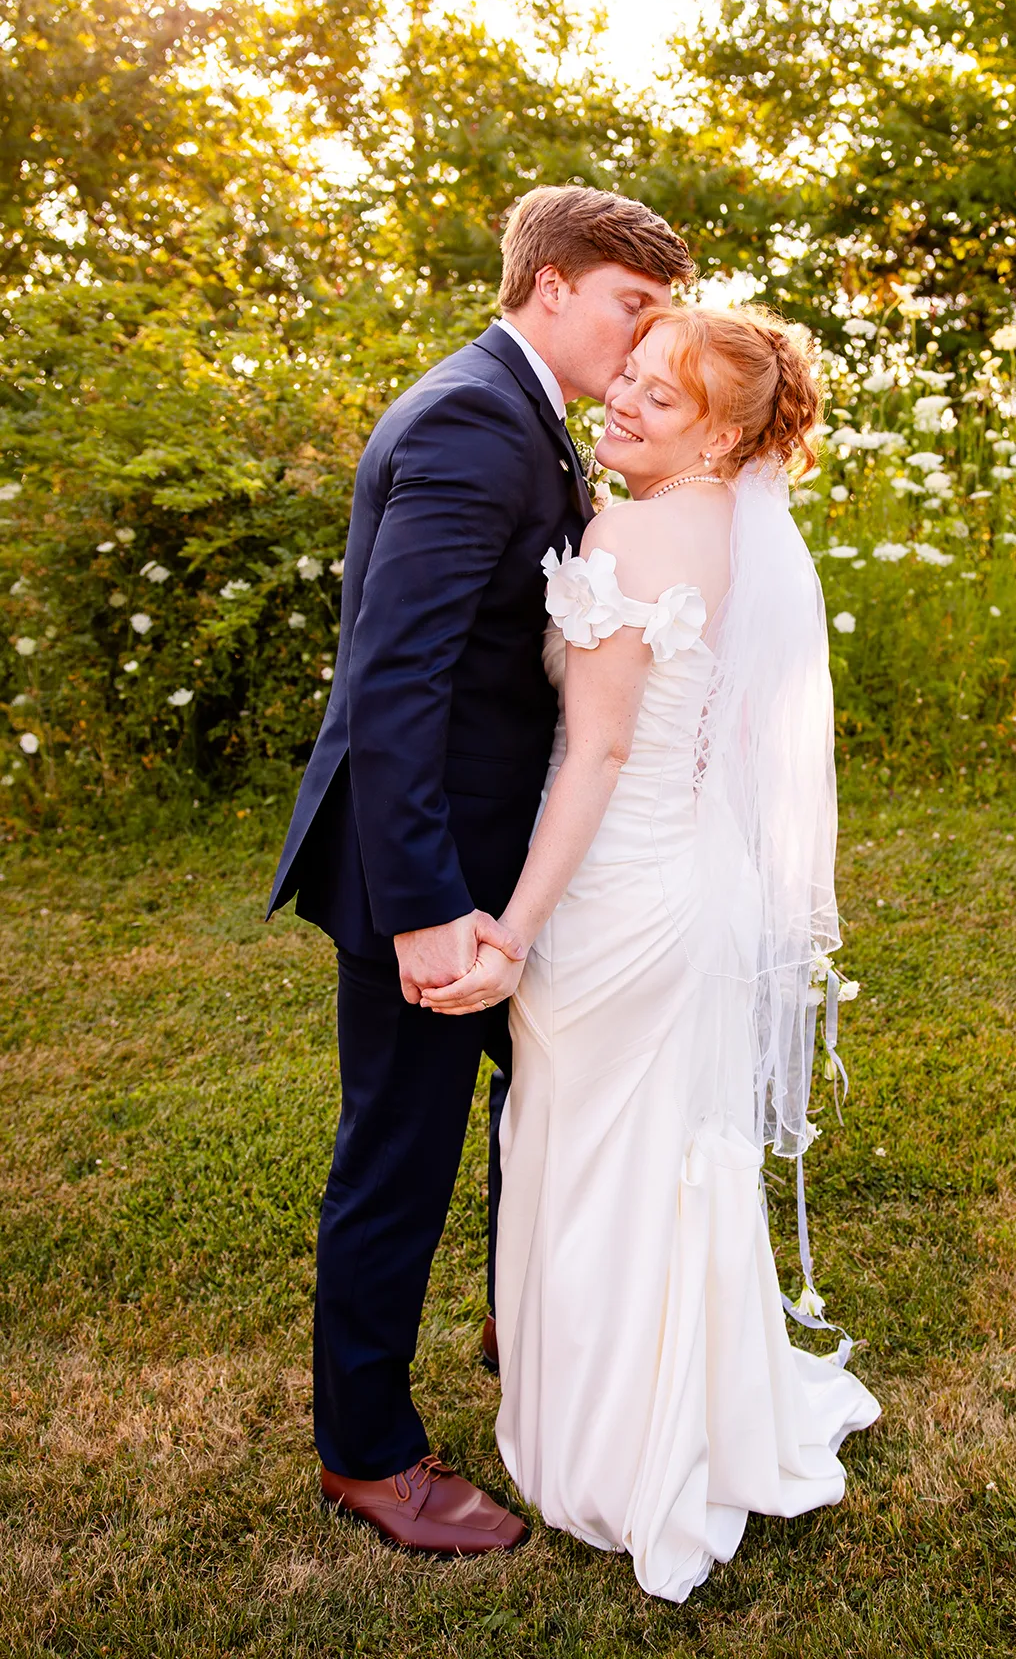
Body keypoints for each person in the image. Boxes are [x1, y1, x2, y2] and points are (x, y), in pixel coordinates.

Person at [266, 186, 696, 1556]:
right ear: (553, 285)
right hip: (430, 870)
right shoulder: (467, 417)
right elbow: (394, 684)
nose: (641, 346)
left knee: (538, 1107)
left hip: (503, 863)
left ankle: (536, 1340)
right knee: (399, 1151)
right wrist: (427, 910)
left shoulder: (516, 411)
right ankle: (370, 1456)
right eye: (633, 307)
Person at [427, 304, 881, 1600]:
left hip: (617, 892)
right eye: (625, 377)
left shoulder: (628, 530)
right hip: (691, 877)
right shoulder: (740, 532)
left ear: (725, 429)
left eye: (659, 399)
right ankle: (690, 1408)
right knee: (660, 1155)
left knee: (593, 1159)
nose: (621, 402)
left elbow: (603, 751)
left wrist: (514, 928)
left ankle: (618, 1447)